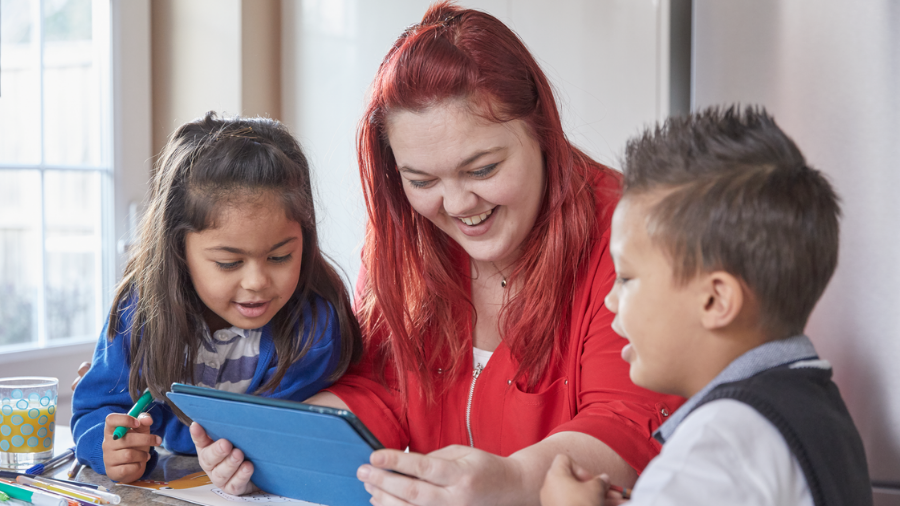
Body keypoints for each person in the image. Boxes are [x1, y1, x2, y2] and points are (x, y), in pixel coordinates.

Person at [192, 3, 682, 503]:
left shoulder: (626, 232)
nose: (457, 205)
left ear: (540, 131)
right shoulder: (404, 233)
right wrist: (283, 445)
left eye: (483, 169)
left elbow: (626, 424)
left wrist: (513, 483)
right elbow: (382, 390)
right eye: (421, 180)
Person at [540, 106, 872, 506]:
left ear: (715, 300)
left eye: (626, 278)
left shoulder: (717, 441)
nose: (609, 300)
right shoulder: (819, 412)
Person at [70, 112, 363, 484]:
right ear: (178, 250)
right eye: (228, 262)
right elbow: (96, 408)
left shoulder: (315, 325)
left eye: (280, 257)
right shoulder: (140, 311)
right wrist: (107, 447)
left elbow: (277, 439)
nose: (257, 282)